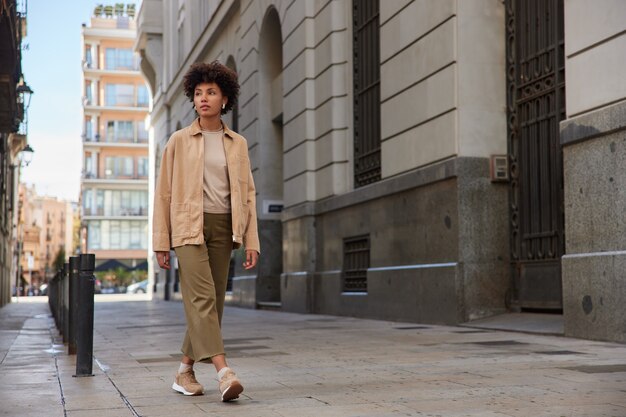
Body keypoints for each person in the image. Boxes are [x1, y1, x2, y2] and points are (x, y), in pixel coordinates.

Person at [152, 61, 260, 402]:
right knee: (201, 299)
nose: (204, 98)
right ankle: (224, 372)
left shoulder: (238, 144)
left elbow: (247, 193)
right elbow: (164, 192)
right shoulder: (178, 141)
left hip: (224, 226)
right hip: (187, 227)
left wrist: (251, 240)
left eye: (211, 93)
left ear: (224, 99)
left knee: (212, 304)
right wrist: (161, 240)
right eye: (198, 93)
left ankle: (184, 371)